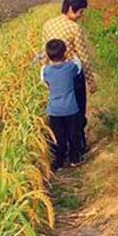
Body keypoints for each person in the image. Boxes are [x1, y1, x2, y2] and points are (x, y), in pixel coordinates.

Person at [38, 0, 97, 154]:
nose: (81, 16)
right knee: (77, 112)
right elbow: (83, 57)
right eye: (80, 12)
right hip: (72, 74)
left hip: (53, 74)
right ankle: (78, 149)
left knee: (58, 113)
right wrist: (91, 81)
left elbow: (44, 50)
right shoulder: (74, 28)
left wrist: (45, 74)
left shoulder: (48, 24)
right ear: (71, 9)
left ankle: (60, 150)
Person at [41, 39, 83, 171]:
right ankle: (75, 159)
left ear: (48, 55)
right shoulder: (71, 67)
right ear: (64, 53)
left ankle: (59, 161)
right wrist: (74, 53)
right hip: (71, 109)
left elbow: (45, 83)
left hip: (54, 111)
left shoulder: (45, 70)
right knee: (73, 135)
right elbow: (79, 65)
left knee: (58, 138)